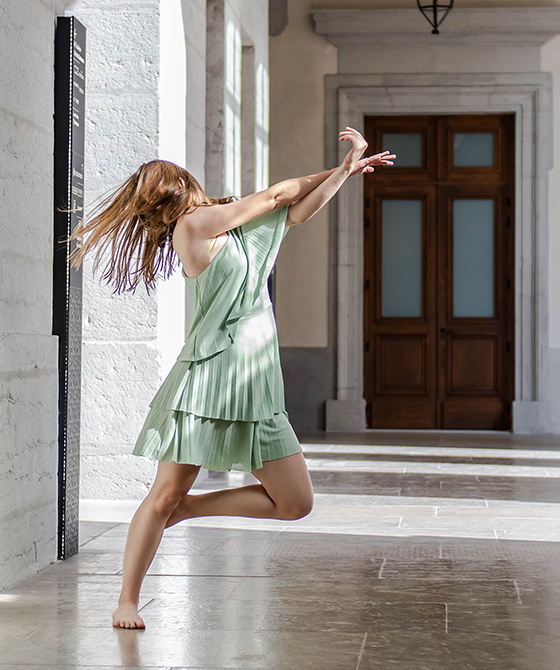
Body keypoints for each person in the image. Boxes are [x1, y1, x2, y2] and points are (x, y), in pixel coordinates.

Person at [69, 127, 394, 629]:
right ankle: (126, 600)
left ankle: (190, 509)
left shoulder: (239, 233)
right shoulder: (193, 227)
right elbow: (278, 194)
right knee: (161, 495)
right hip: (208, 379)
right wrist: (340, 165)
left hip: (257, 382)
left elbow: (298, 209)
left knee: (295, 503)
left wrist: (345, 175)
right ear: (179, 192)